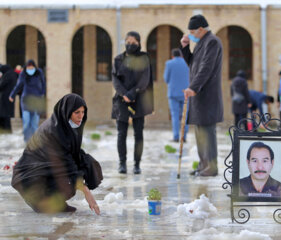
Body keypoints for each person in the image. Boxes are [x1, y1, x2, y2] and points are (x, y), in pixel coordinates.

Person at [11, 93, 103, 214]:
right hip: (30, 178)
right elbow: (66, 164)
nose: (81, 116)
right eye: (77, 112)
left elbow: (73, 153)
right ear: (67, 111)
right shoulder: (53, 131)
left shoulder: (68, 126)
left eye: (83, 112)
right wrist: (87, 192)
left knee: (86, 162)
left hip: (47, 169)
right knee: (69, 180)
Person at [180, 14, 223, 177]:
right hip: (199, 95)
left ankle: (211, 167)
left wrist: (193, 87)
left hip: (207, 94)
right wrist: (185, 47)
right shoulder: (201, 43)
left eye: (192, 31)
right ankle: (203, 164)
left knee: (207, 132)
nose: (190, 34)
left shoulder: (212, 42)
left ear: (200, 29)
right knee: (200, 131)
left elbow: (206, 67)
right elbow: (193, 64)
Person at [112, 31, 154, 174]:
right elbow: (115, 79)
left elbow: (145, 79)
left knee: (138, 134)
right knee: (121, 133)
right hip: (121, 99)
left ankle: (137, 164)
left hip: (139, 98)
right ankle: (122, 163)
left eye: (133, 42)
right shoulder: (118, 59)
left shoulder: (144, 58)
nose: (130, 45)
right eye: (128, 42)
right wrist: (124, 94)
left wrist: (133, 92)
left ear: (139, 43)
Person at [9, 60, 46, 142]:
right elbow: (18, 85)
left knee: (34, 124)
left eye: (32, 67)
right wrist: (12, 95)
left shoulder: (39, 73)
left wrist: (42, 93)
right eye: (28, 67)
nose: (30, 69)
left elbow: (43, 84)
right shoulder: (23, 74)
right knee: (26, 122)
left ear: (34, 67)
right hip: (26, 100)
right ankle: (26, 140)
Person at [163, 48, 190, 142]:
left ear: (172, 56)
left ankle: (176, 136)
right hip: (185, 93)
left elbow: (166, 78)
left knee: (174, 116)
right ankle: (184, 136)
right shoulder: (187, 63)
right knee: (185, 115)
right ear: (181, 55)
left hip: (173, 93)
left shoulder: (169, 63)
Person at [0, 64, 17, 133]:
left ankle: (5, 131)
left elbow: (1, 86)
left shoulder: (7, 75)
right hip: (10, 98)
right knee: (7, 116)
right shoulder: (12, 74)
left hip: (5, 99)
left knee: (4, 116)